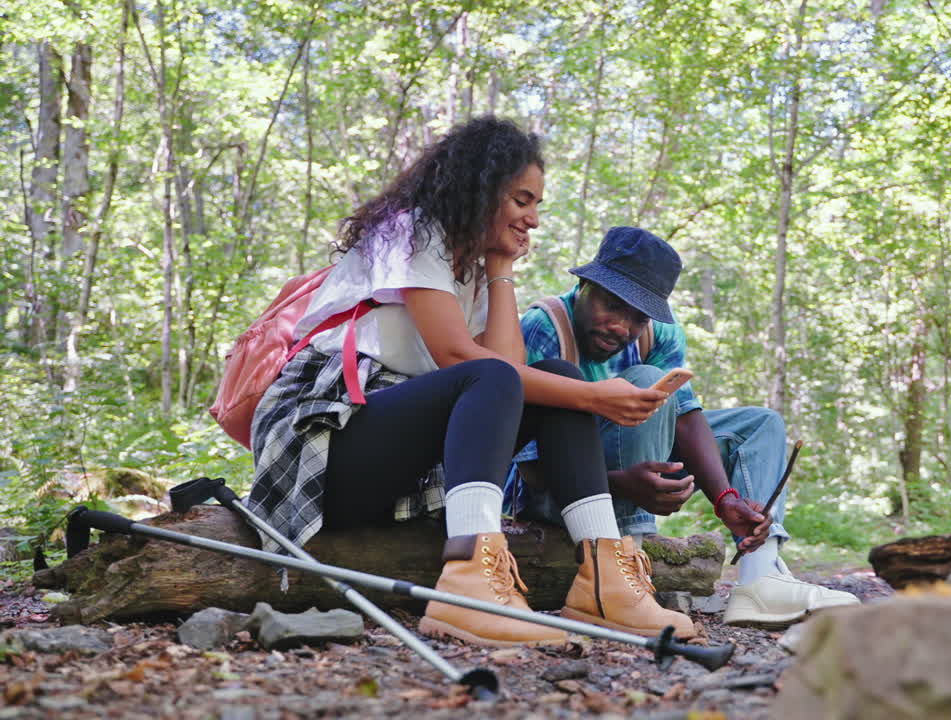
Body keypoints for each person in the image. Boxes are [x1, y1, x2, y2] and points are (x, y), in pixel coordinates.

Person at [244, 118, 694, 648]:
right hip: (323, 446)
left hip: (394, 458)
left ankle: (603, 576)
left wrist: (500, 267)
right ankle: (469, 580)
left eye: (537, 205)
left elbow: (512, 373)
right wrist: (600, 398)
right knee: (506, 377)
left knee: (555, 379)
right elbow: (464, 359)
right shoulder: (409, 229)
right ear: (482, 188)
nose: (533, 219)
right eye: (522, 200)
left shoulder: (471, 265)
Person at [507, 226, 860, 627]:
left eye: (638, 317)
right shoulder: (544, 326)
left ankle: (761, 578)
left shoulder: (661, 334)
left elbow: (686, 417)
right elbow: (528, 468)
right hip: (548, 494)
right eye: (612, 305)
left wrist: (725, 498)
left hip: (623, 466)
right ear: (585, 284)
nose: (622, 327)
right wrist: (620, 484)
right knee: (641, 383)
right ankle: (622, 575)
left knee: (759, 425)